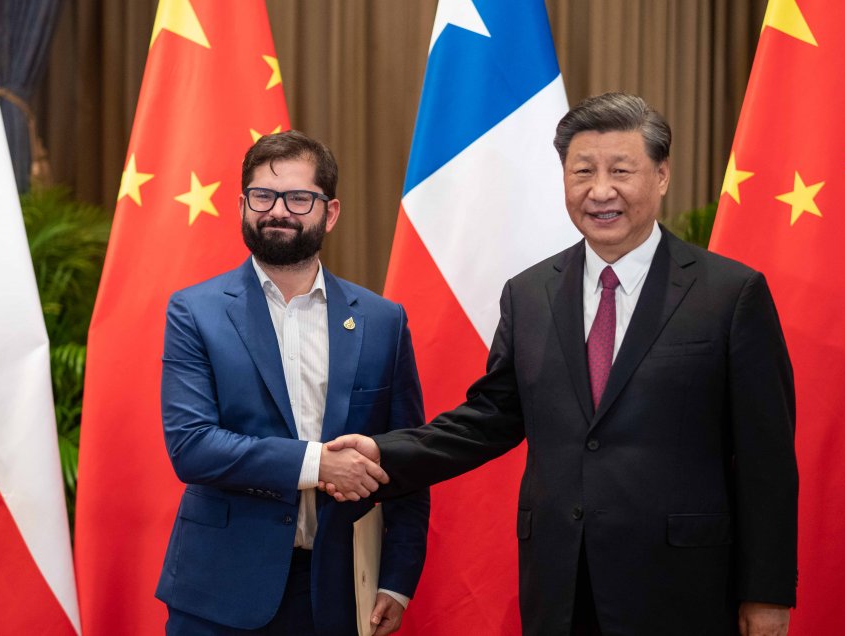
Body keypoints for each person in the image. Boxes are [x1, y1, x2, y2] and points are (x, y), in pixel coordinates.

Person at [323, 93, 797, 636]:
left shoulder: (730, 294)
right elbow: (489, 419)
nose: (601, 191)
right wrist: (384, 453)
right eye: (583, 172)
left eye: (621, 170)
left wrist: (767, 593)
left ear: (662, 175)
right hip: (561, 584)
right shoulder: (529, 294)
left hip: (682, 586)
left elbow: (766, 459)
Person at [156, 130, 430, 636]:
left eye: (299, 198)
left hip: (338, 592)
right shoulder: (195, 311)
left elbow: (407, 458)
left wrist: (396, 580)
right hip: (220, 591)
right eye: (263, 196)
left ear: (330, 212)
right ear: (242, 205)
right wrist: (318, 463)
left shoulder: (382, 321)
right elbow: (191, 447)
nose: (278, 211)